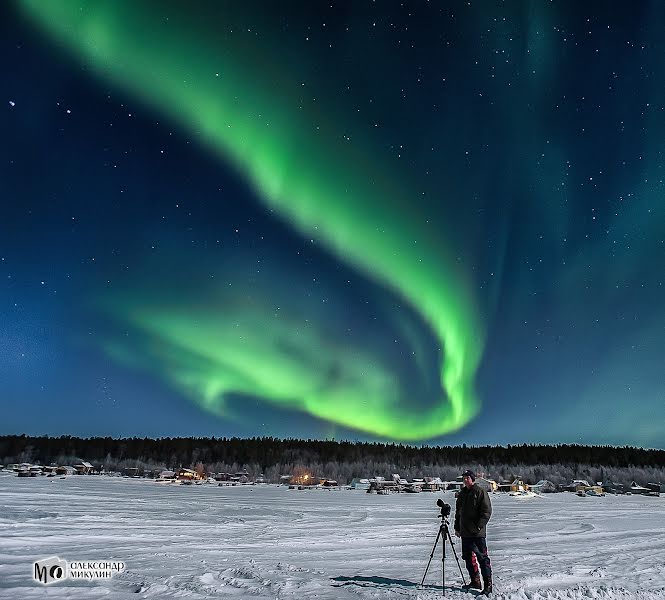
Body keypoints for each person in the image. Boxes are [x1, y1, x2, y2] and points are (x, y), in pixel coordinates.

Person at [454, 469, 493, 595]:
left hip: (477, 534)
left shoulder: (480, 492)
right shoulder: (462, 494)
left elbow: (486, 512)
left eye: (468, 478)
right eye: (464, 478)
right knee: (468, 558)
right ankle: (475, 581)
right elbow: (458, 513)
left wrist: (478, 527)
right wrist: (457, 527)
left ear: (472, 479)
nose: (465, 480)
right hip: (465, 533)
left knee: (482, 559)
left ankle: (488, 585)